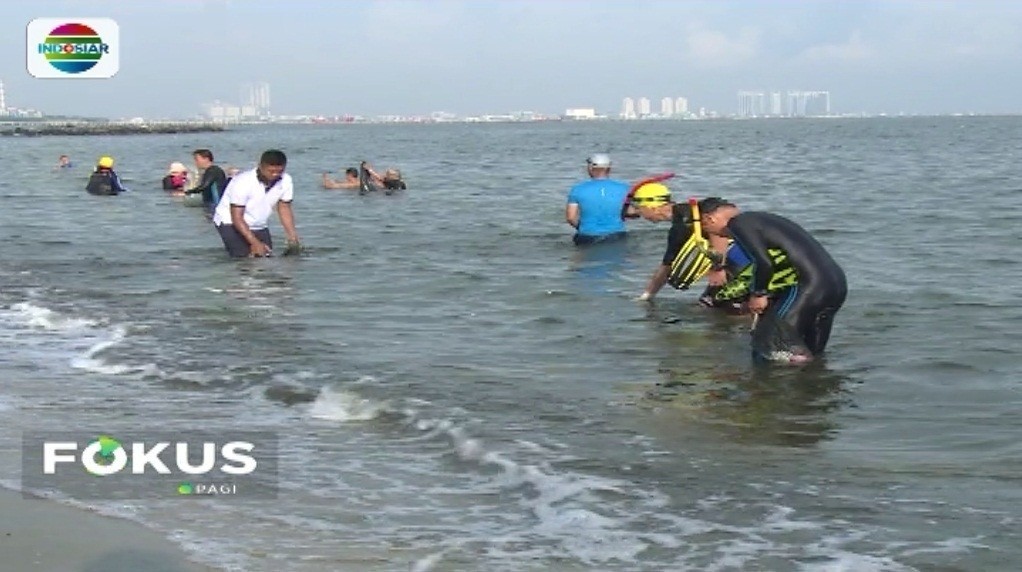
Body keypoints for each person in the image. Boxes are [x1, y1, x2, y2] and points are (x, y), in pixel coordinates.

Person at [699, 198, 848, 363]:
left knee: (767, 346)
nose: (714, 235)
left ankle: (766, 386)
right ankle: (812, 383)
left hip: (809, 287)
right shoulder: (761, 220)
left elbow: (763, 262)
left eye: (706, 229)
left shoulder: (739, 224)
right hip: (836, 284)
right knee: (812, 354)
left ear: (709, 219)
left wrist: (758, 294)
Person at [629, 183, 736, 303]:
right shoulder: (680, 226)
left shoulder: (692, 216)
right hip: (735, 262)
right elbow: (667, 266)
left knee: (720, 306)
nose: (639, 214)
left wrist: (717, 268)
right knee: (710, 304)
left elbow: (719, 234)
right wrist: (647, 295)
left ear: (652, 208)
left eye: (639, 208)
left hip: (739, 262)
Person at [211, 149, 302, 258]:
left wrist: (292, 236)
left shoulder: (286, 180)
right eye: (271, 171)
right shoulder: (243, 182)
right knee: (244, 258)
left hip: (258, 222)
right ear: (260, 166)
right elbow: (237, 217)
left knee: (267, 257)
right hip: (229, 221)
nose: (275, 175)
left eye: (279, 171)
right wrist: (254, 242)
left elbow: (284, 208)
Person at [566, 154, 631, 245]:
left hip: (587, 236)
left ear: (590, 168)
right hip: (616, 235)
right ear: (609, 169)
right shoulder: (624, 188)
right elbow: (632, 212)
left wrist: (583, 227)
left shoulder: (578, 189)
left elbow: (571, 218)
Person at [185, 149, 227, 213]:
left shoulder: (213, 171)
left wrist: (189, 192)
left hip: (216, 205)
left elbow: (204, 186)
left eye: (197, 159)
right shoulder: (211, 170)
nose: (195, 162)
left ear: (206, 159)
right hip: (213, 204)